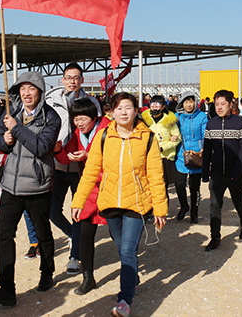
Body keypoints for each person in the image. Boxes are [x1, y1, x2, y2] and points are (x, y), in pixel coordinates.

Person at [71, 92, 167, 317]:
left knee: (126, 249)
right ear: (111, 112)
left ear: (136, 110)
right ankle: (132, 278)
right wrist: (79, 201)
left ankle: (124, 300)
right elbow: (90, 171)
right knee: (122, 247)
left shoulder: (148, 138)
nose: (123, 112)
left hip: (137, 203)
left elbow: (155, 175)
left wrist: (160, 209)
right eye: (119, 108)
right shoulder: (104, 136)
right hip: (110, 202)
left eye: (128, 107)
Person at [0, 71, 61, 306]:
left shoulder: (51, 118)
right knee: (4, 236)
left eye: (32, 88)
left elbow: (42, 146)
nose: (26, 93)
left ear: (40, 92)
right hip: (11, 185)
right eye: (22, 89)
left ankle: (47, 273)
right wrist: (3, 140)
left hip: (37, 186)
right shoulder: (10, 113)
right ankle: (6, 289)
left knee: (43, 232)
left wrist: (16, 129)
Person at [45, 62, 101, 275]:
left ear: (82, 80)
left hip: (81, 168)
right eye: (68, 77)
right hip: (58, 163)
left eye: (76, 77)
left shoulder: (92, 102)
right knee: (52, 211)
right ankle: (71, 234)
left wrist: (89, 155)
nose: (72, 81)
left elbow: (96, 132)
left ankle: (75, 256)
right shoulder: (51, 100)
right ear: (62, 79)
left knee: (80, 211)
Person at [54, 98, 110, 295]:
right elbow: (65, 156)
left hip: (111, 189)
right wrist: (57, 149)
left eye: (83, 117)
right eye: (75, 118)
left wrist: (89, 156)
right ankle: (88, 277)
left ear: (94, 117)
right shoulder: (77, 134)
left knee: (118, 234)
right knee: (85, 233)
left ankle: (132, 274)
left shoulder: (109, 129)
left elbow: (116, 158)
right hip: (89, 190)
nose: (79, 122)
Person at [202, 89, 242, 251]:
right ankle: (215, 237)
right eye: (216, 104)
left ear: (231, 104)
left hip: (235, 173)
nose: (219, 107)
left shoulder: (239, 122)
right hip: (216, 173)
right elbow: (207, 149)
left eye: (223, 104)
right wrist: (205, 171)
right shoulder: (211, 123)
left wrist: (237, 171)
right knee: (215, 206)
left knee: (238, 203)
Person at [174, 91, 208, 222]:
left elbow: (206, 135)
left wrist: (203, 150)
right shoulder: (177, 117)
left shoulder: (202, 117)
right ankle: (184, 206)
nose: (189, 104)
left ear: (195, 102)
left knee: (195, 188)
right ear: (182, 103)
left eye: (191, 101)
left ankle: (194, 212)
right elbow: (170, 131)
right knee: (179, 184)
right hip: (181, 155)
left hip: (197, 156)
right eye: (186, 101)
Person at [142, 95, 181, 194]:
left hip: (165, 157)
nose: (155, 105)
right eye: (152, 103)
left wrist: (163, 147)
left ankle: (164, 209)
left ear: (163, 106)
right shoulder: (144, 119)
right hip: (149, 157)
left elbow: (178, 138)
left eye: (158, 103)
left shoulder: (169, 120)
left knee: (163, 188)